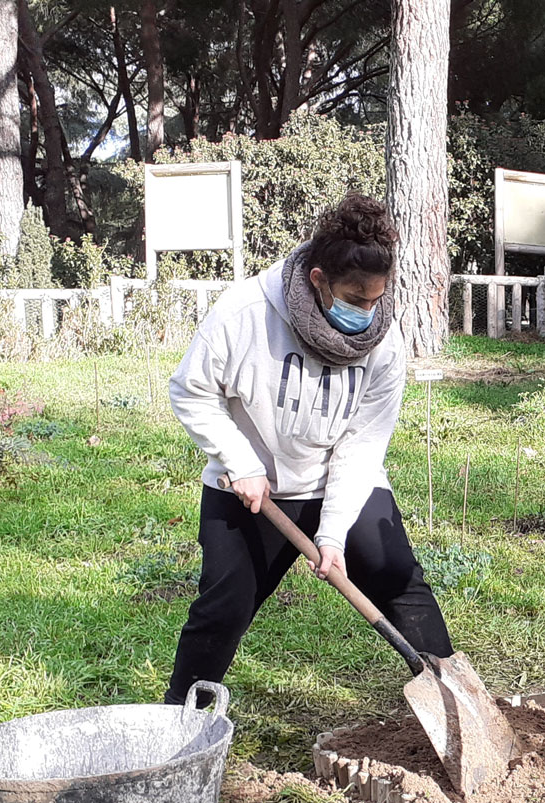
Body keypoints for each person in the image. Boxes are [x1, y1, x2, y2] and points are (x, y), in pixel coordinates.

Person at [164, 195, 451, 706]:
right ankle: (180, 727)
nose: (366, 311)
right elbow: (192, 389)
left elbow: (362, 445)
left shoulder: (385, 345)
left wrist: (335, 534)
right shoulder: (246, 312)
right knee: (222, 610)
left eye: (375, 299)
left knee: (399, 580)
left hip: (340, 479)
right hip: (254, 486)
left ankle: (452, 701)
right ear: (318, 279)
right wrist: (242, 462)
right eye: (353, 297)